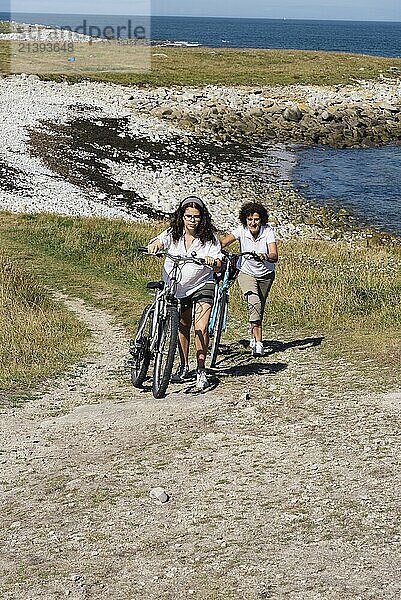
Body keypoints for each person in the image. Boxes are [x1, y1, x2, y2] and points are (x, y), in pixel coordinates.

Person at [147, 196, 222, 391]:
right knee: (183, 326)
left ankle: (201, 370)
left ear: (202, 218)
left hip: (202, 284)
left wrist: (213, 262)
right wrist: (154, 245)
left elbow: (219, 261)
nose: (192, 220)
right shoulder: (173, 233)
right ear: (181, 216)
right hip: (176, 286)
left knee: (201, 327)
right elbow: (158, 241)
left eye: (196, 217)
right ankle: (183, 364)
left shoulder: (210, 238)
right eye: (188, 216)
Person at [221, 202, 278, 357]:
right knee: (254, 302)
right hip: (246, 272)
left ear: (262, 220)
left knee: (260, 306)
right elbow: (223, 243)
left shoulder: (268, 232)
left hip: (266, 274)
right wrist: (211, 250)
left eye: (256, 219)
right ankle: (259, 343)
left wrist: (265, 256)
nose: (253, 223)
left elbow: (274, 255)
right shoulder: (241, 231)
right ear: (245, 220)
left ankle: (253, 335)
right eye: (250, 219)